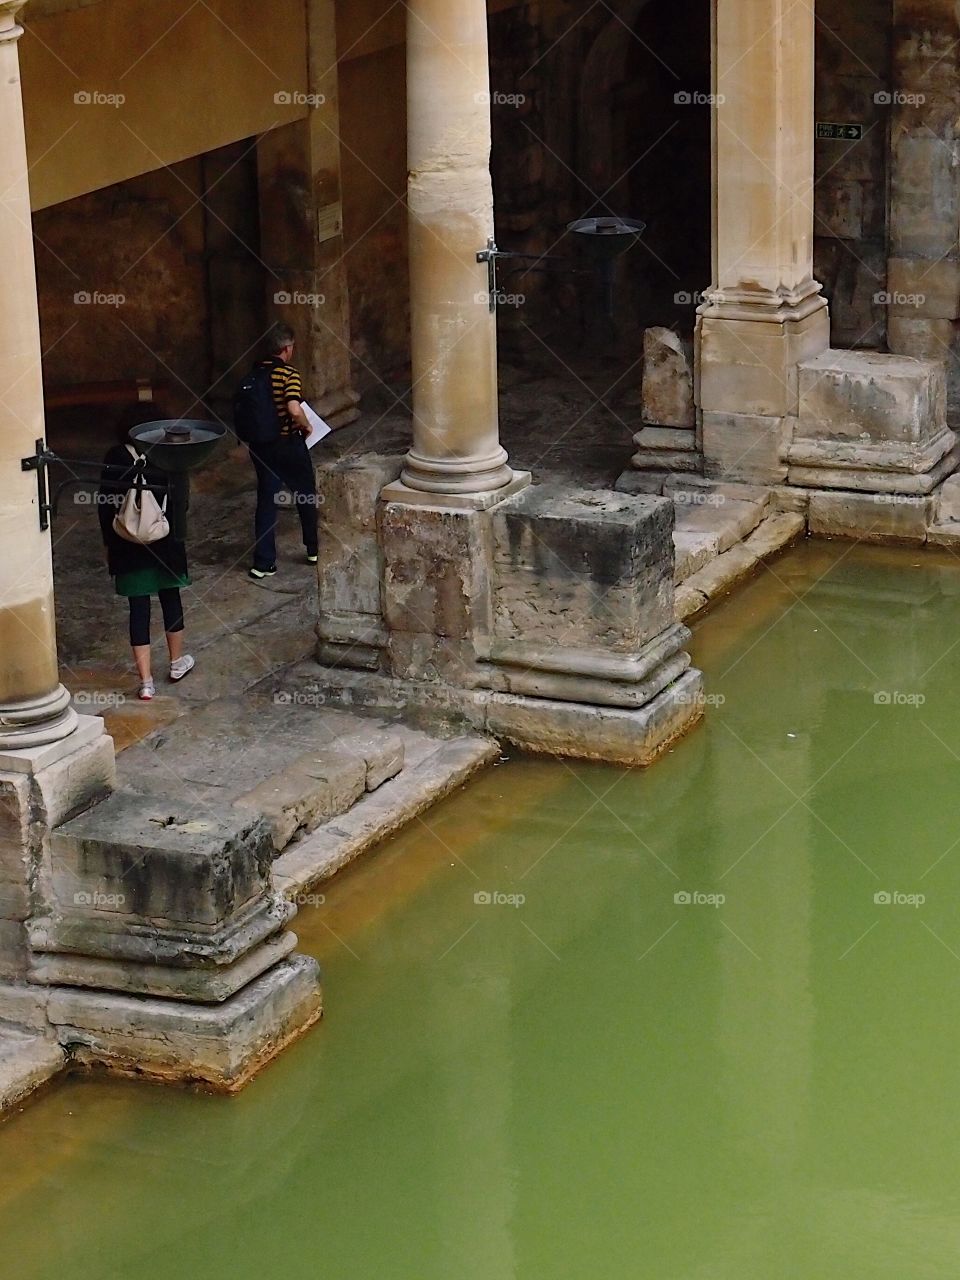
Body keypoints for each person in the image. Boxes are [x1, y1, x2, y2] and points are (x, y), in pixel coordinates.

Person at [98, 404, 195, 701]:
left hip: (127, 546)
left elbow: (105, 504)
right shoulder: (168, 454)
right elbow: (181, 501)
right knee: (171, 599)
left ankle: (146, 681)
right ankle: (177, 663)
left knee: (138, 610)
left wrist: (109, 544)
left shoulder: (114, 457)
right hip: (166, 544)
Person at [247, 322, 319, 580]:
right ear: (287, 349)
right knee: (306, 494)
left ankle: (263, 562)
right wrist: (307, 426)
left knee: (267, 500)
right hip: (287, 444)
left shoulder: (255, 374)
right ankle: (313, 548)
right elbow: (293, 408)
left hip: (261, 446)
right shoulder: (289, 374)